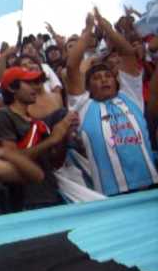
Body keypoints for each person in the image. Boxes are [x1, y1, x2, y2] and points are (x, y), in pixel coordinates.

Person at [66, 10, 158, 196]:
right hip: (112, 195)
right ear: (88, 87)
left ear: (116, 81)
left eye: (108, 75)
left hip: (152, 186)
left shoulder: (130, 96)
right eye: (97, 78)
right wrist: (89, 29)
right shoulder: (83, 106)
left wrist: (106, 26)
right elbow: (72, 66)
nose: (104, 80)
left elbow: (127, 52)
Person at [0, 67, 72, 211]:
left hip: (50, 194)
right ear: (12, 87)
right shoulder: (3, 115)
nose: (36, 87)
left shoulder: (37, 122)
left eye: (36, 83)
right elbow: (12, 158)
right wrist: (52, 140)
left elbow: (55, 162)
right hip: (25, 201)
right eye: (29, 83)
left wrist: (64, 133)